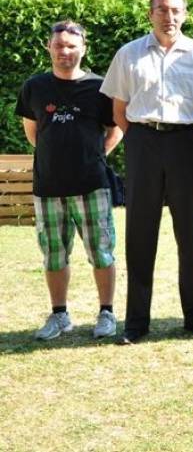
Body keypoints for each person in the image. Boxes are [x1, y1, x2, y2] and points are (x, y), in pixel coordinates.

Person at [100, 0, 193, 344]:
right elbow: (119, 110)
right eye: (161, 10)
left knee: (190, 232)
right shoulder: (129, 54)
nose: (168, 16)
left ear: (184, 14)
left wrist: (185, 133)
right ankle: (136, 322)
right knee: (140, 233)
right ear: (150, 14)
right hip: (143, 142)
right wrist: (143, 138)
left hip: (187, 142)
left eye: (175, 10)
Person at [17, 21, 123, 340]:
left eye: (72, 45)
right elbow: (33, 134)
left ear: (83, 49)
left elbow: (115, 129)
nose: (65, 51)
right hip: (48, 186)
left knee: (101, 252)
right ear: (49, 47)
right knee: (53, 254)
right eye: (59, 45)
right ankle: (59, 315)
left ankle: (106, 313)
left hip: (92, 184)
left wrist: (96, 155)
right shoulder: (34, 87)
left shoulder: (100, 88)